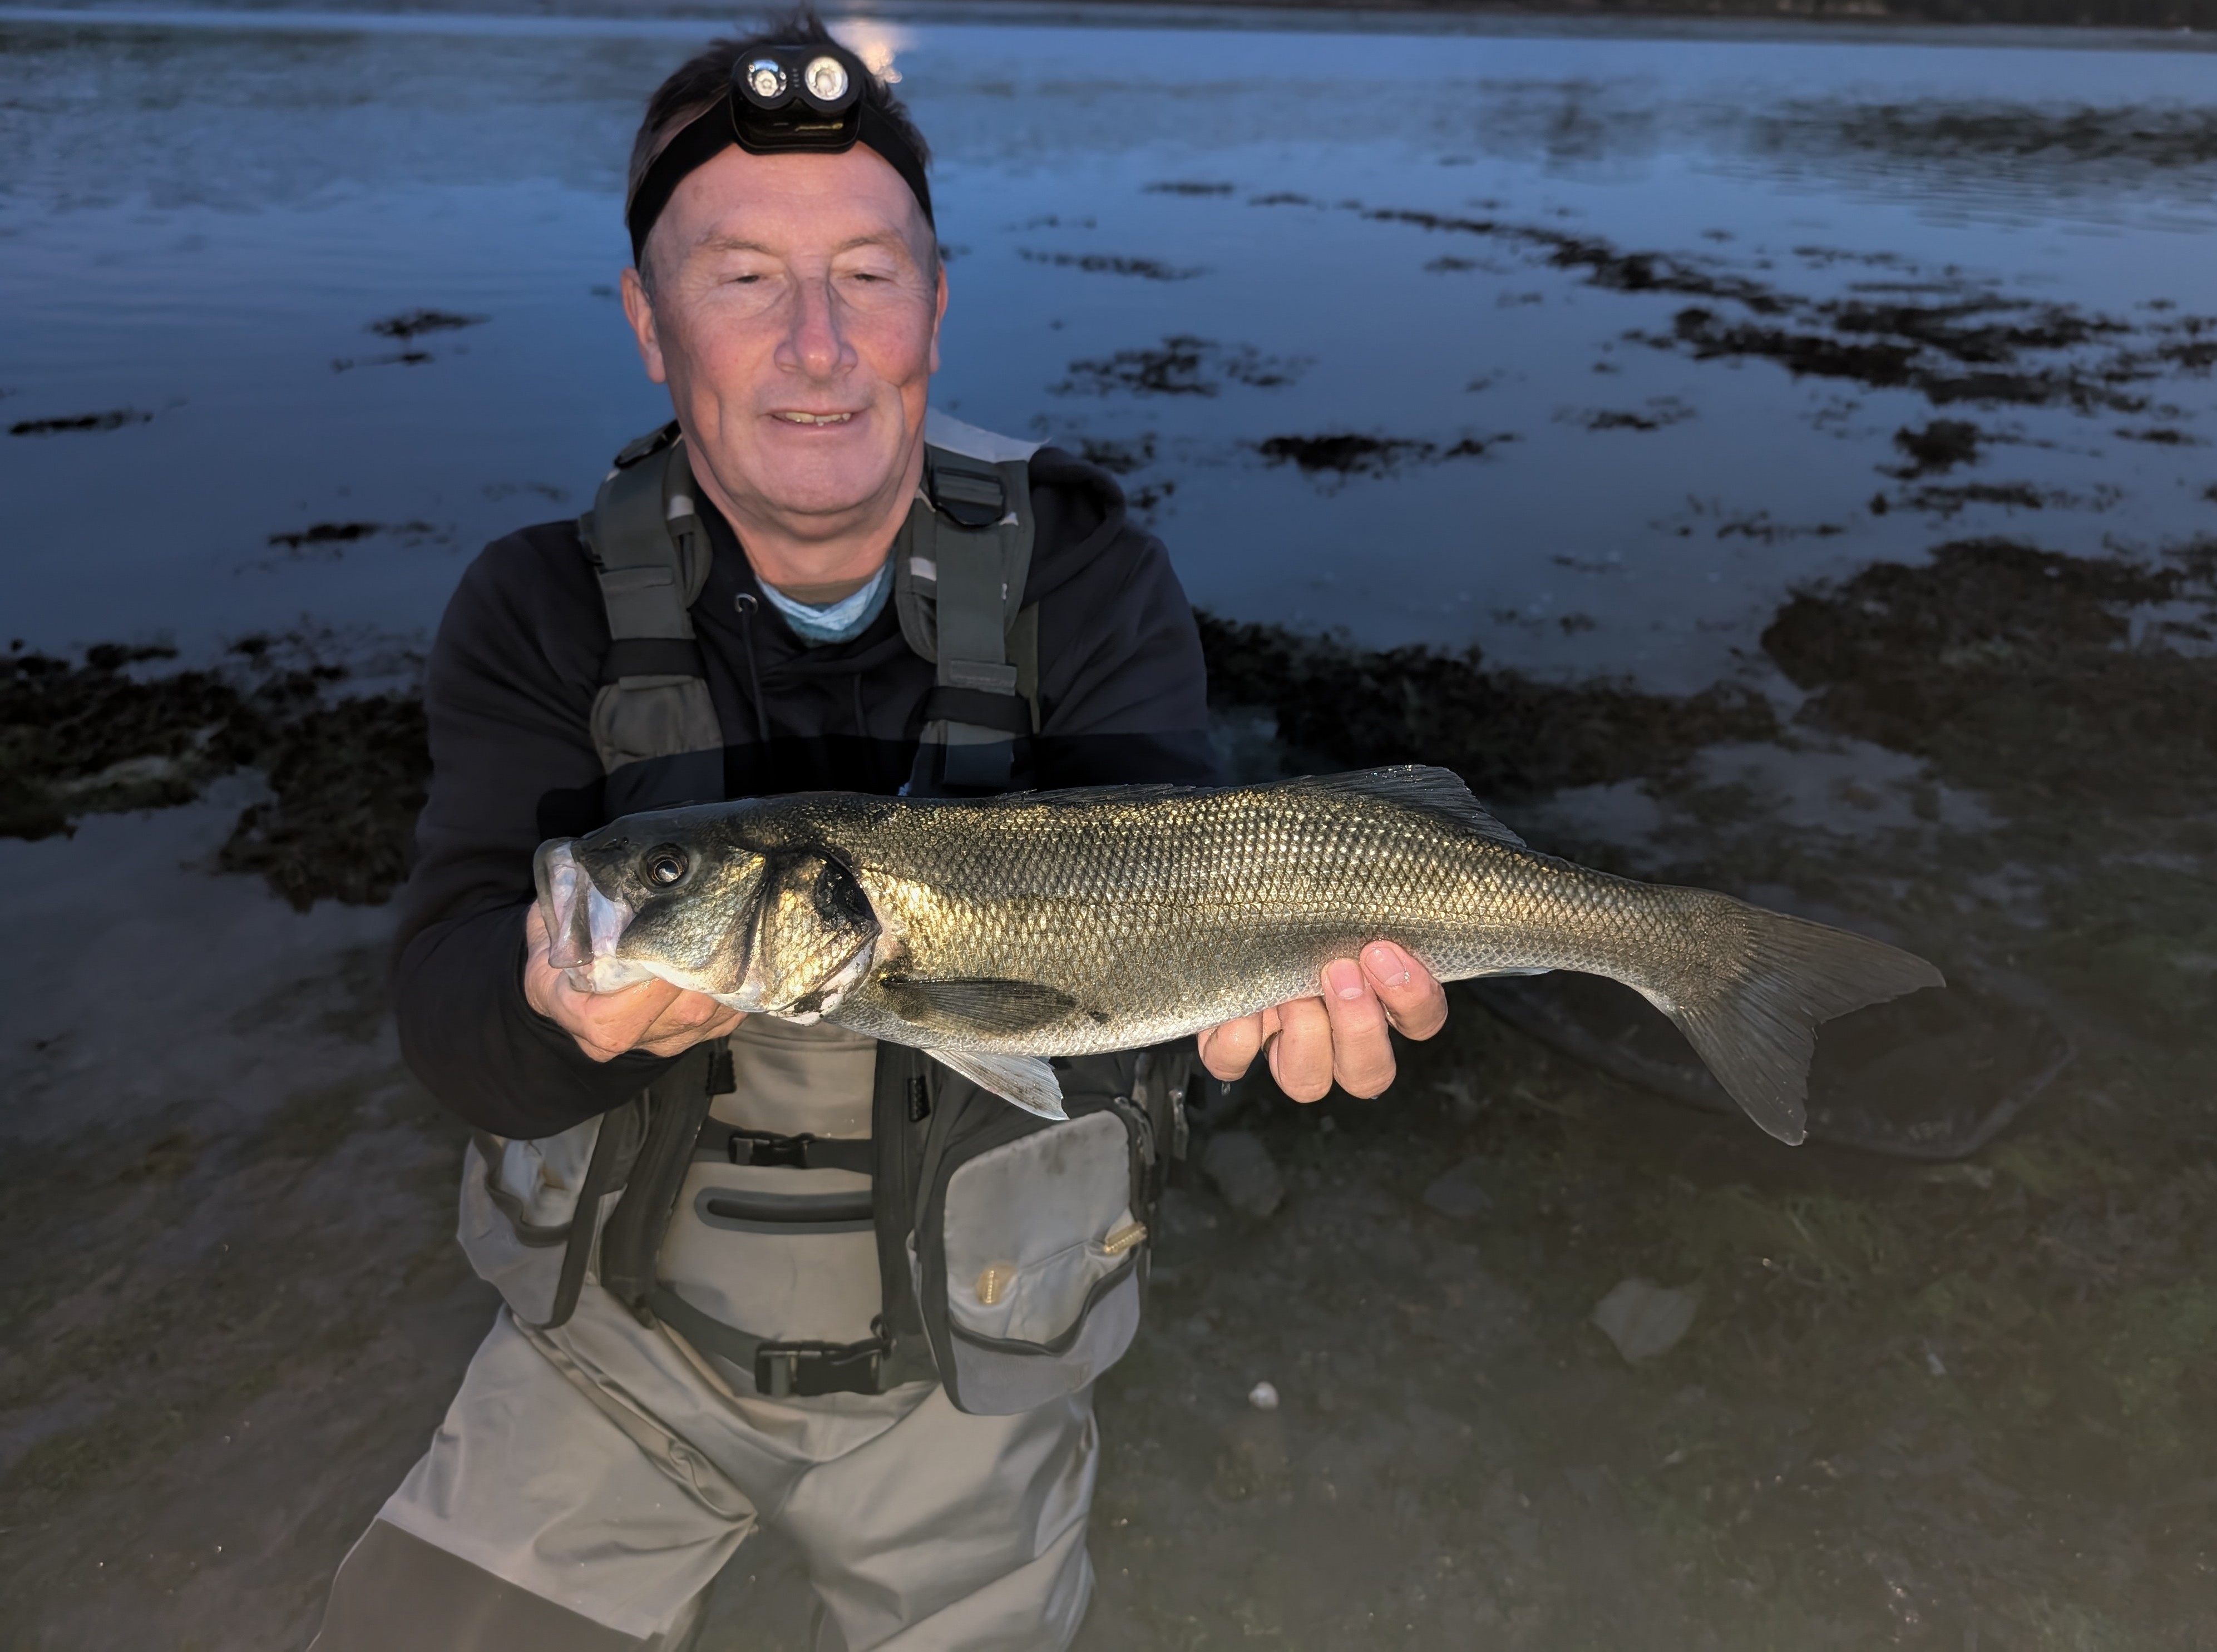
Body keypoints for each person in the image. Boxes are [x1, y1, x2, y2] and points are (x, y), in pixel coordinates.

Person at [310, 16, 1445, 1650]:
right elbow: (446, 1005)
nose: (818, 345)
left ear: (937, 302)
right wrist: (549, 1009)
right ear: (645, 319)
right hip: (607, 1354)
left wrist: (1253, 1010)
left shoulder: (1087, 582)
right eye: (742, 277)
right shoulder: (537, 607)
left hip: (980, 1357)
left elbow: (1169, 908)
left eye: (867, 273)